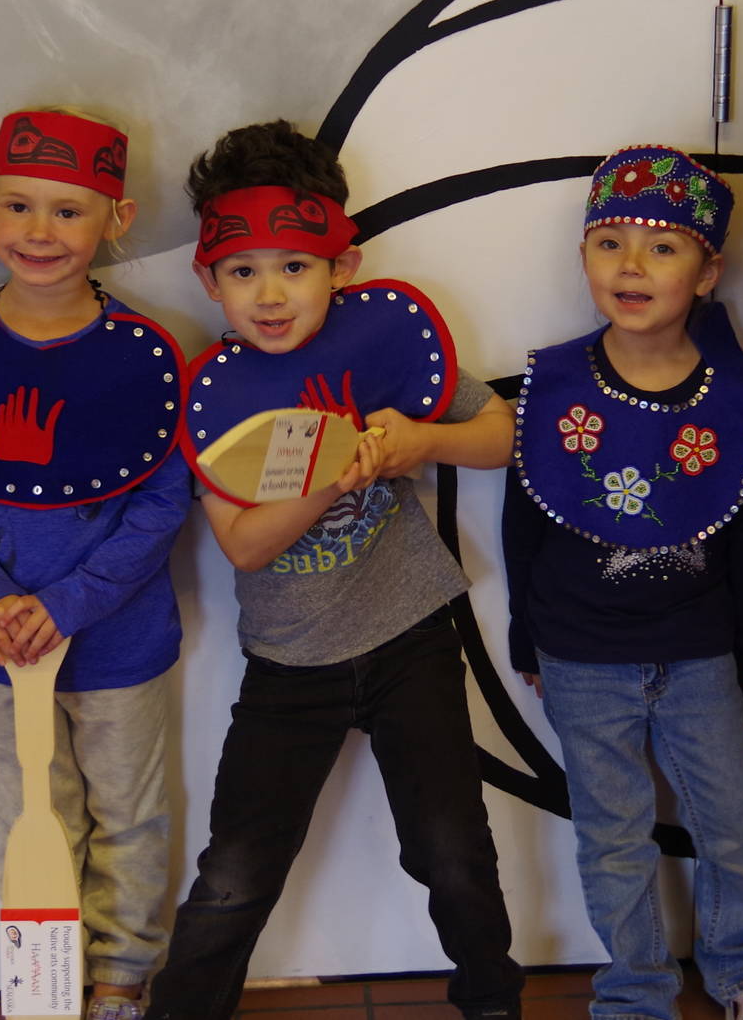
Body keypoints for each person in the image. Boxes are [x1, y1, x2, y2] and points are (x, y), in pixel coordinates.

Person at [143, 120, 524, 1020]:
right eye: (242, 272)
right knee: (236, 869)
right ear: (208, 279)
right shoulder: (217, 390)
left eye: (295, 266)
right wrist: (329, 471)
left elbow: (502, 435)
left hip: (410, 638)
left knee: (453, 848)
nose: (269, 294)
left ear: (341, 265)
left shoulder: (383, 341)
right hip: (287, 665)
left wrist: (418, 439)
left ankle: (496, 1004)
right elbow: (242, 543)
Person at [0, 106, 191, 1020]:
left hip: (117, 645)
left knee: (130, 815)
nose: (39, 231)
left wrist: (68, 603)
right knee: (29, 813)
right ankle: (43, 979)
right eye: (18, 206)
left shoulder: (151, 356)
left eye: (69, 211)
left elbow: (162, 502)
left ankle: (120, 981)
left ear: (117, 219)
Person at [501, 146, 743, 1020]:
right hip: (582, 656)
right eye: (610, 242)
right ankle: (634, 994)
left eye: (662, 247)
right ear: (584, 258)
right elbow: (523, 520)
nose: (631, 266)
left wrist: (735, 654)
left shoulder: (738, 398)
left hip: (699, 653)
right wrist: (526, 637)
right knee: (614, 838)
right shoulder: (551, 385)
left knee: (732, 826)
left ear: (708, 271)